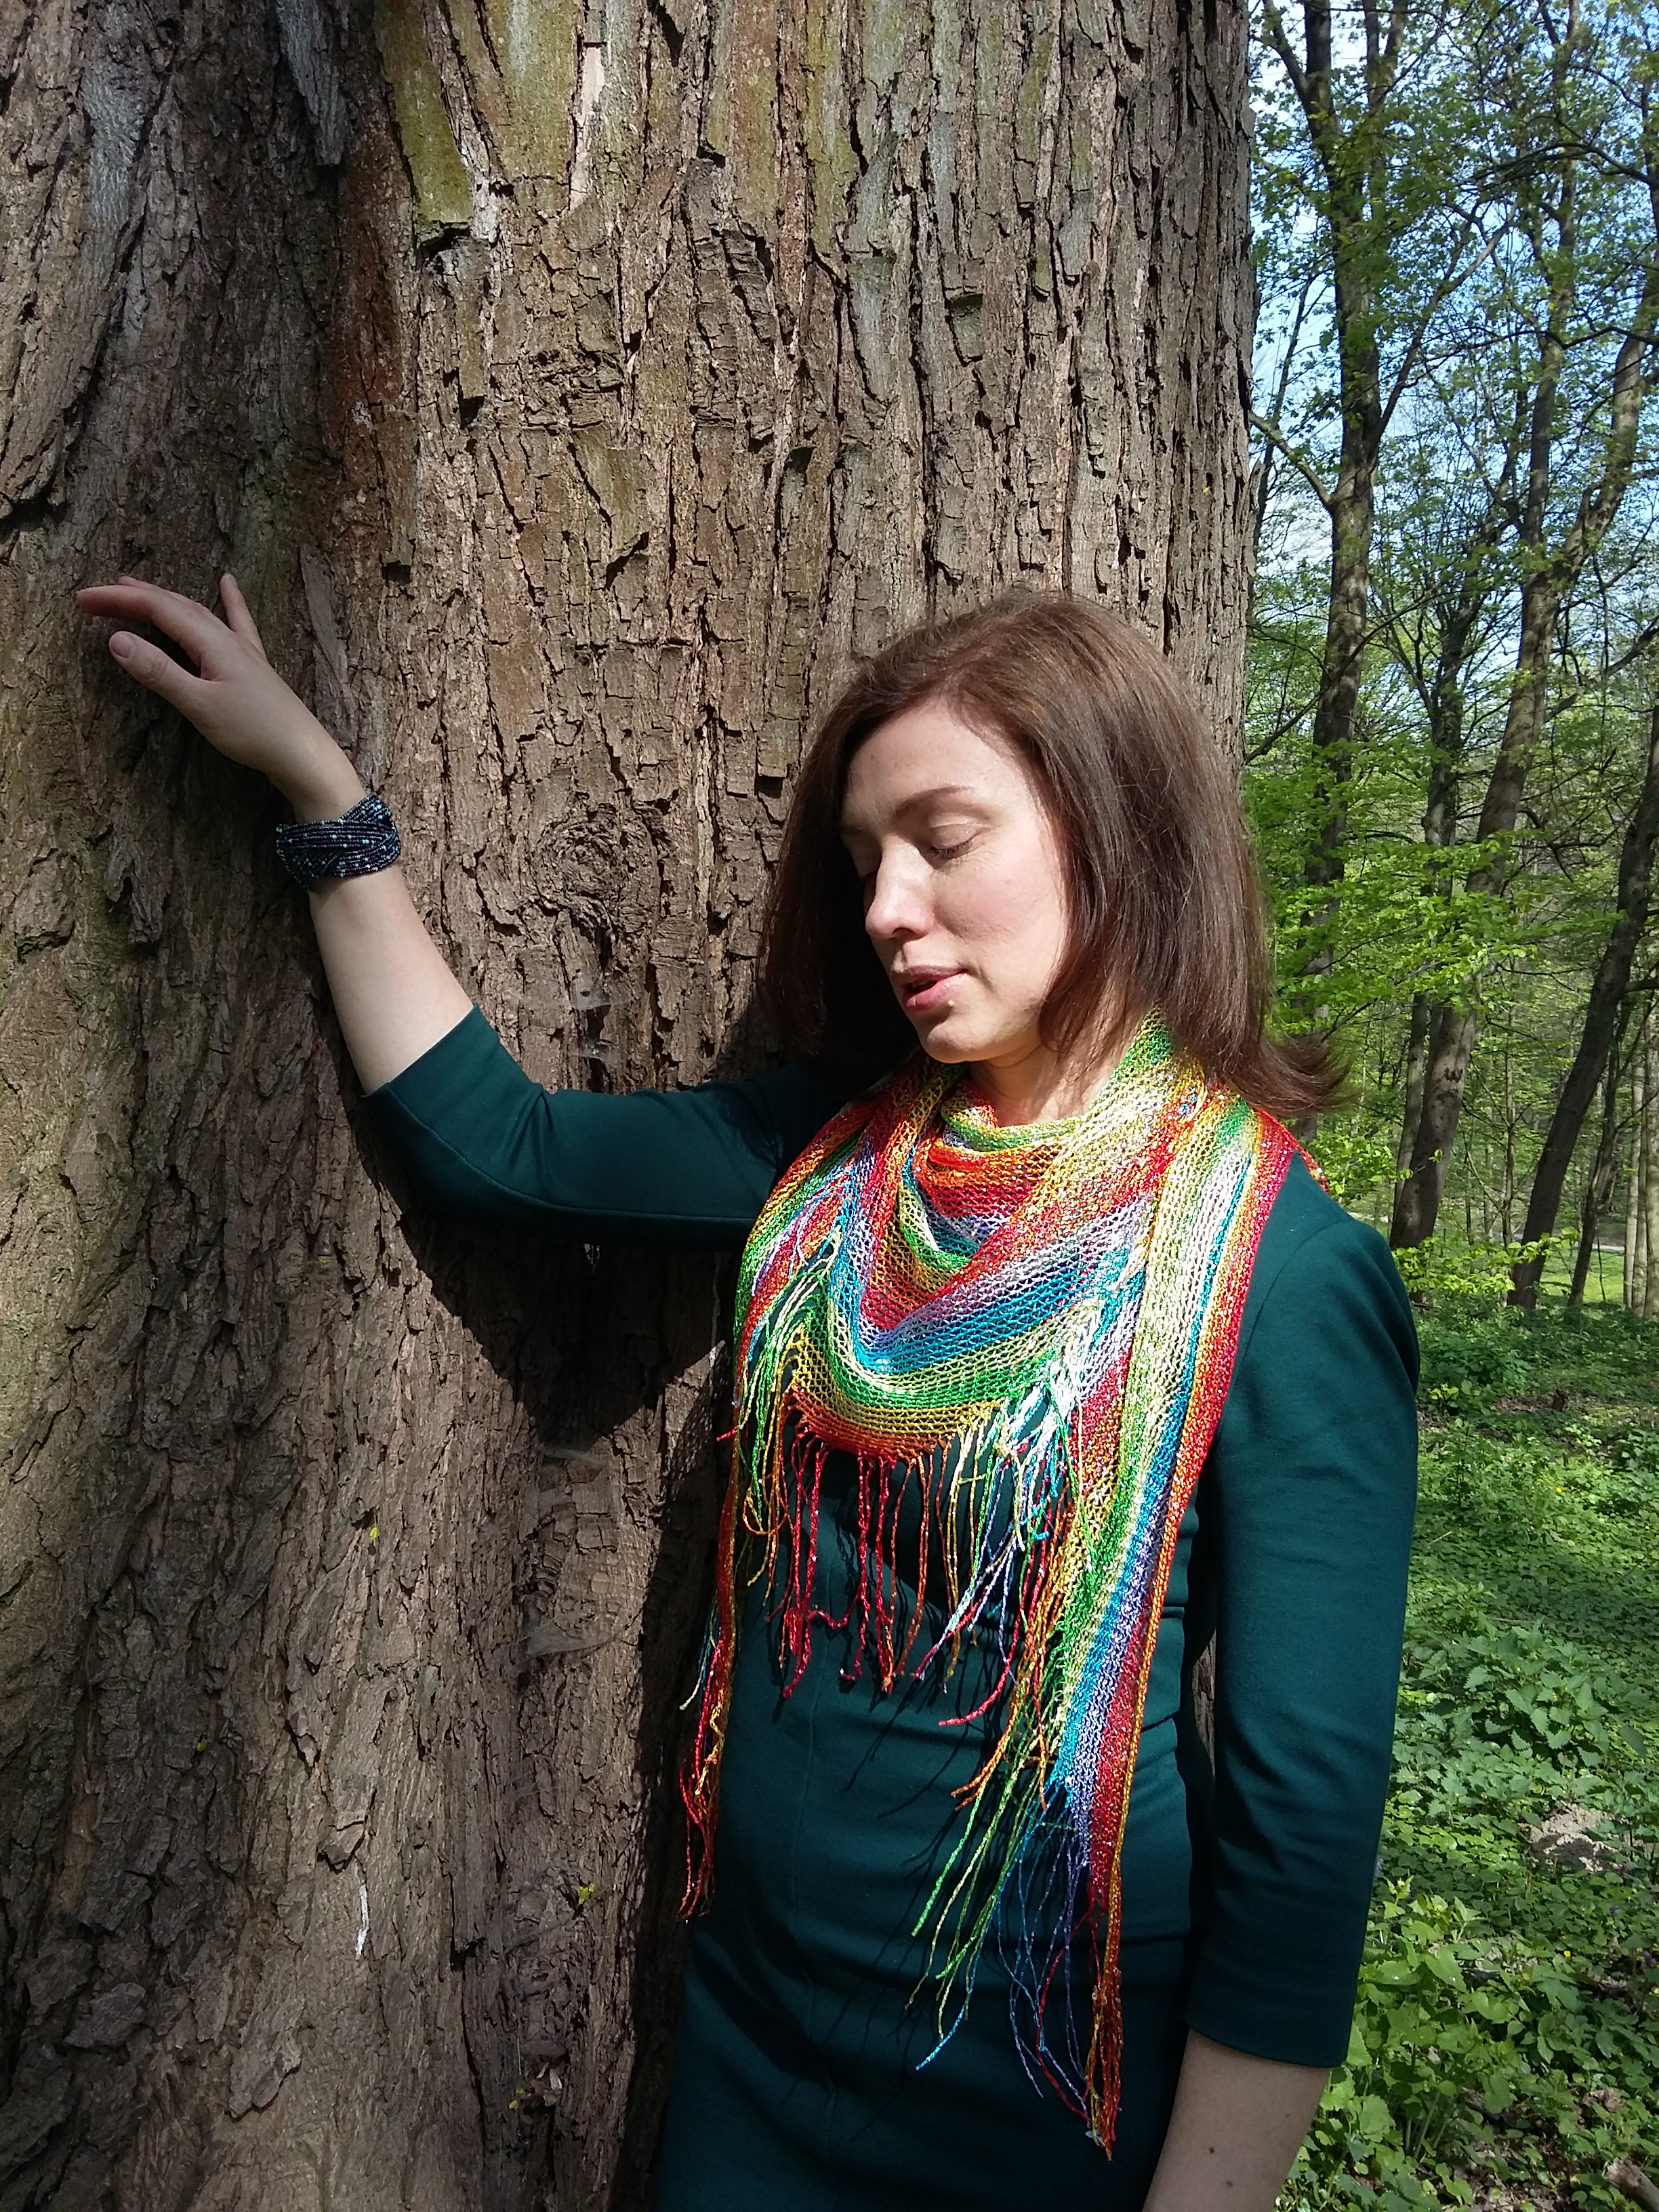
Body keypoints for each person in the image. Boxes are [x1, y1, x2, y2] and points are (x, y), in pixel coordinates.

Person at [77, 574, 1418, 2212]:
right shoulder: (835, 1160)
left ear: (1117, 831)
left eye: (944, 840)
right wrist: (322, 794)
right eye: (865, 861)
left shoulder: (1285, 1274)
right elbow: (503, 1149)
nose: (890, 907)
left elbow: (1301, 1835)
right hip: (756, 2044)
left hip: (1042, 2098)